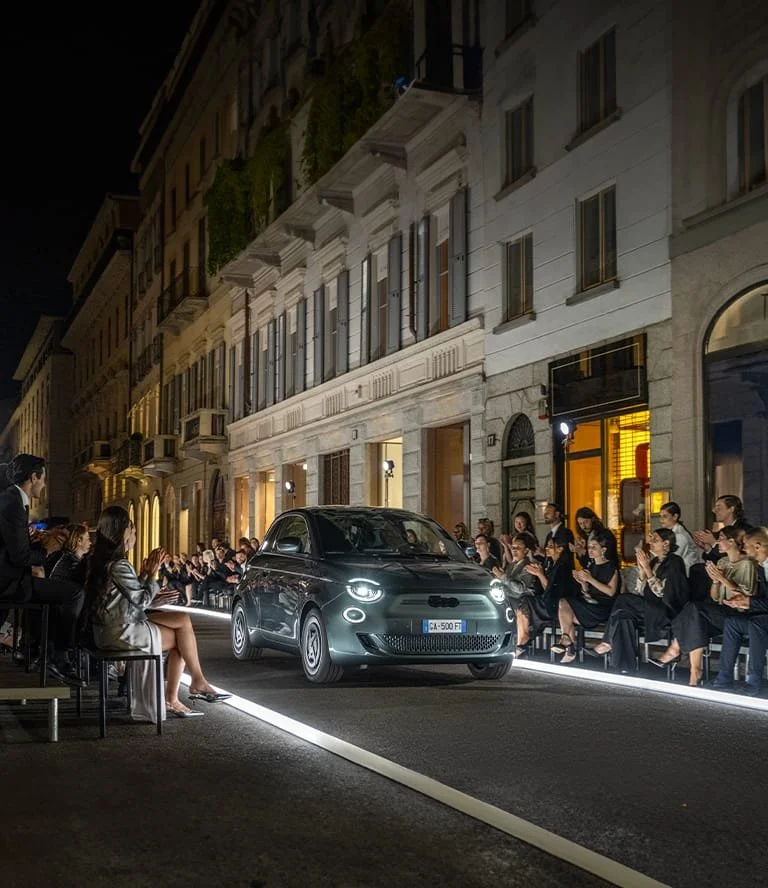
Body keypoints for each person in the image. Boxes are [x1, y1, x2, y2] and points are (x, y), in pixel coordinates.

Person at [87, 505, 229, 719]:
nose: (134, 535)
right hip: (120, 630)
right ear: (122, 532)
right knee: (181, 637)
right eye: (132, 530)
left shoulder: (102, 561)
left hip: (112, 625)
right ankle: (182, 692)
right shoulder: (119, 565)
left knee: (182, 619)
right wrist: (152, 575)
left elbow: (130, 598)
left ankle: (193, 684)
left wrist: (145, 577)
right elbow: (141, 600)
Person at [0, 454, 85, 686]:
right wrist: (47, 549)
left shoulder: (11, 499)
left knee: (52, 592)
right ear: (33, 477)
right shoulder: (13, 503)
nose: (44, 485)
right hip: (9, 583)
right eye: (43, 479)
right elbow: (20, 557)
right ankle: (60, 656)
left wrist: (35, 540)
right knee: (74, 593)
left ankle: (36, 648)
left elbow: (14, 546)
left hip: (11, 578)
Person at [653, 525, 757, 685]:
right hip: (721, 608)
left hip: (737, 613)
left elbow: (745, 596)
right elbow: (715, 598)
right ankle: (695, 671)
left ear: (732, 541)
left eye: (721, 538)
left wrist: (722, 579)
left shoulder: (747, 564)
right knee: (695, 619)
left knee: (694, 608)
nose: (718, 542)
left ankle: (675, 649)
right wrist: (715, 581)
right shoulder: (722, 561)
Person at [586, 528, 689, 672]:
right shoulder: (653, 562)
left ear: (666, 543)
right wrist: (642, 572)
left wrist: (647, 569)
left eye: (655, 540)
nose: (651, 542)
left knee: (623, 599)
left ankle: (607, 641)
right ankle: (625, 667)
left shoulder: (674, 562)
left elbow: (662, 592)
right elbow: (640, 591)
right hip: (649, 607)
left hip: (665, 610)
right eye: (651, 539)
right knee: (623, 615)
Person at [710, 527, 768, 695]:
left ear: (757, 546)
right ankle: (724, 677)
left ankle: (753, 680)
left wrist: (749, 602)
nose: (743, 548)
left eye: (746, 545)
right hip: (762, 615)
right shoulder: (760, 567)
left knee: (756, 623)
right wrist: (744, 603)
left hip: (762, 619)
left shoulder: (759, 567)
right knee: (732, 622)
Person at [551, 532, 619, 664]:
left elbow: (611, 592)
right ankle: (566, 640)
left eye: (594, 547)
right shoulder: (591, 566)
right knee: (563, 602)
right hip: (591, 603)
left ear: (603, 549)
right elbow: (588, 592)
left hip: (604, 607)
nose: (590, 550)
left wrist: (590, 580)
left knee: (568, 609)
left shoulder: (611, 567)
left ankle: (569, 646)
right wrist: (583, 583)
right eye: (589, 547)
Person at [519, 539, 576, 653]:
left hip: (556, 604)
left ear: (560, 549)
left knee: (525, 602)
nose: (547, 548)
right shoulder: (550, 564)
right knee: (524, 601)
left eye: (551, 546)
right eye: (547, 546)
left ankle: (525, 638)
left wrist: (540, 574)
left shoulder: (563, 567)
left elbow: (550, 590)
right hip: (549, 601)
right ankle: (523, 637)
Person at [658, 501, 700, 575]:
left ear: (675, 517)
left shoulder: (680, 535)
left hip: (686, 574)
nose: (661, 520)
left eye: (664, 516)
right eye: (660, 516)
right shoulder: (670, 533)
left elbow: (673, 559)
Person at [543, 502, 575, 569]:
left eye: (548, 512)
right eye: (545, 512)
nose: (545, 515)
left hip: (563, 572)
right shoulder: (549, 535)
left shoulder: (566, 533)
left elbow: (565, 556)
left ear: (557, 514)